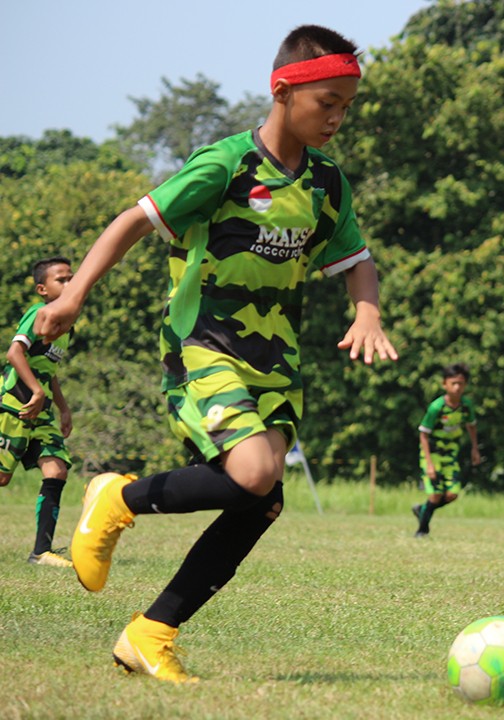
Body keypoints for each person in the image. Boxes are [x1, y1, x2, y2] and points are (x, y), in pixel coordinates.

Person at [34, 25, 398, 684]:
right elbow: (133, 222)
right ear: (284, 91)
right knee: (257, 472)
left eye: (348, 104)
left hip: (275, 363)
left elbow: (358, 262)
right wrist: (75, 296)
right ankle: (118, 497)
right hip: (206, 347)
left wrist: (366, 311)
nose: (339, 117)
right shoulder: (227, 165)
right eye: (328, 103)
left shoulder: (326, 184)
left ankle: (151, 633)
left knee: (260, 501)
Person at [0, 256, 75, 568]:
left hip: (39, 413)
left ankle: (41, 553)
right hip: (14, 406)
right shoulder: (39, 313)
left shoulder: (66, 323)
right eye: (62, 279)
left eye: (72, 278)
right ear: (43, 289)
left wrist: (63, 407)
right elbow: (14, 352)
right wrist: (36, 391)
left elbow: (47, 368)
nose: (70, 284)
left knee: (57, 469)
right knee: (2, 479)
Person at [412, 363, 481, 538]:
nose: (457, 387)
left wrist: (475, 448)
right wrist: (428, 463)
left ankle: (422, 510)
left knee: (452, 494)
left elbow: (471, 426)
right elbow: (423, 435)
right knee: (435, 495)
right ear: (445, 384)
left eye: (461, 383)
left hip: (451, 453)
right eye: (453, 383)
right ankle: (422, 530)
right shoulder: (436, 407)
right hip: (432, 454)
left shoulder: (466, 406)